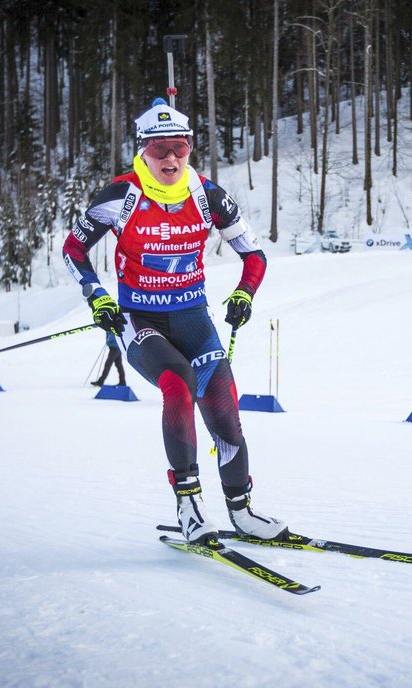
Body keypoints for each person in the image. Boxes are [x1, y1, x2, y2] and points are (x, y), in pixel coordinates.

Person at [63, 98, 286, 545]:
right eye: (160, 149)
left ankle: (242, 512)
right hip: (140, 319)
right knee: (178, 382)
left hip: (193, 316)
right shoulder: (121, 195)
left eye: (179, 148)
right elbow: (74, 250)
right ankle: (188, 506)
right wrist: (98, 297)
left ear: (189, 149)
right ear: (142, 150)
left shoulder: (207, 195)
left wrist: (244, 292)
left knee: (224, 407)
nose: (170, 158)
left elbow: (254, 255)